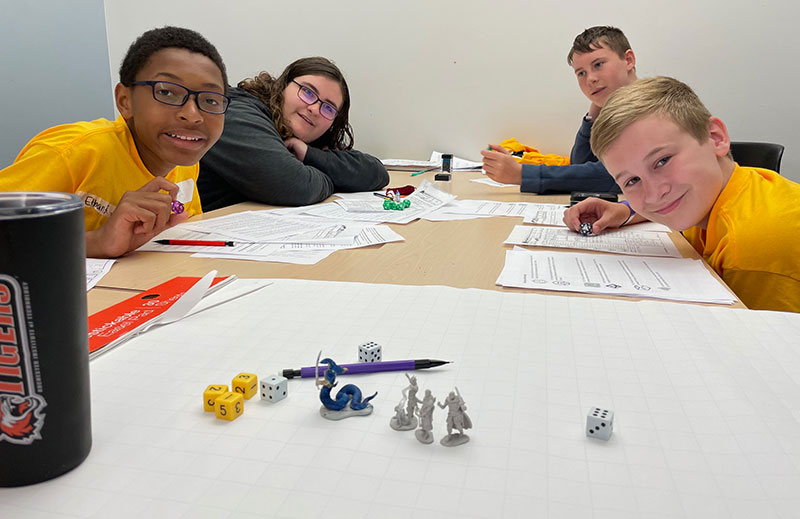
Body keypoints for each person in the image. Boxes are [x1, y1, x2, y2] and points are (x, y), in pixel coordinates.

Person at [563, 76, 800, 313]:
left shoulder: (750, 247)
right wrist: (625, 210)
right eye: (632, 181)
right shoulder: (722, 192)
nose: (654, 195)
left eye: (662, 161)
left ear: (715, 138)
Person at [0, 26, 228, 258]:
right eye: (166, 93)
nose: (192, 114)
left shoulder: (185, 160)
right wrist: (98, 241)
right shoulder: (73, 152)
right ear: (125, 101)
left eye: (210, 100)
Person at [198, 57, 389, 211]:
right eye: (308, 92)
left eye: (328, 108)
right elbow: (296, 185)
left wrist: (309, 154)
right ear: (282, 86)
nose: (315, 109)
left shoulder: (298, 138)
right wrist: (334, 178)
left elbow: (376, 173)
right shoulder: (236, 112)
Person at [481, 26, 637, 194]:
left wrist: (522, 174)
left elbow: (617, 175)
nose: (590, 79)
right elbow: (580, 163)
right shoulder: (615, 111)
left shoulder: (650, 107)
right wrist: (593, 114)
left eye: (598, 65)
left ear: (628, 60)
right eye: (581, 73)